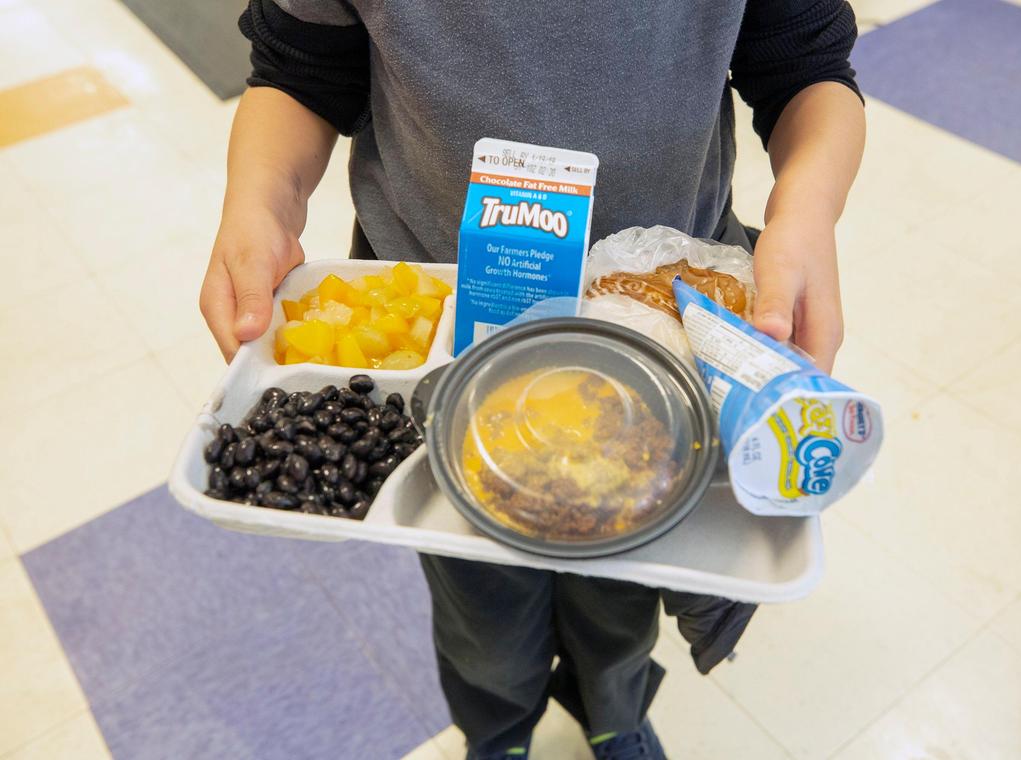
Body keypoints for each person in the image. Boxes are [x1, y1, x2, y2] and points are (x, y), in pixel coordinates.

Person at [200, 2, 864, 758]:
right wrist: (258, 201)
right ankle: (498, 733)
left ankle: (612, 710)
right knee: (479, 601)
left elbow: (807, 66)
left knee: (620, 582)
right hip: (445, 327)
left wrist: (807, 211)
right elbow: (300, 68)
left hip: (662, 330)